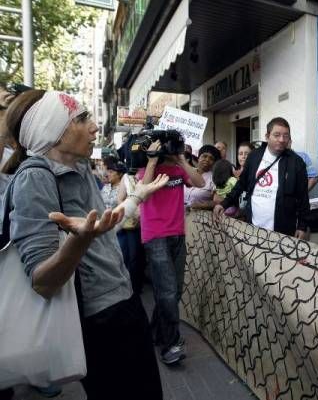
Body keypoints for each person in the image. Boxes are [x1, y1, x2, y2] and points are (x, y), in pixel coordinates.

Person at [1, 90, 163, 399]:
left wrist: (137, 197)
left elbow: (102, 224)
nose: (94, 127)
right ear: (54, 132)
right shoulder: (34, 178)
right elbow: (43, 281)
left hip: (124, 302)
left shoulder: (81, 168)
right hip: (99, 321)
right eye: (82, 119)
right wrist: (79, 242)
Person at [137, 136, 205, 365]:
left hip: (178, 233)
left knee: (174, 290)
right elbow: (142, 192)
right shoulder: (146, 166)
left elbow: (200, 183)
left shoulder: (178, 168)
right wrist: (152, 161)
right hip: (155, 235)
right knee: (166, 291)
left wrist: (182, 161)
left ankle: (154, 332)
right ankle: (171, 345)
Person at [214, 117, 309, 239]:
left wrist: (302, 226)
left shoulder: (296, 163)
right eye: (277, 135)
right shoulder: (254, 156)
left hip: (282, 231)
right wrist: (224, 204)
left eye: (286, 136)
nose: (281, 139)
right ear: (267, 136)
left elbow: (303, 197)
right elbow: (241, 184)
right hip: (253, 228)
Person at [184, 144, 219, 210]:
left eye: (211, 158)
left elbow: (217, 202)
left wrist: (201, 205)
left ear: (214, 162)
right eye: (204, 156)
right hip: (178, 213)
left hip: (199, 216)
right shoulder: (188, 172)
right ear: (198, 157)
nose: (207, 160)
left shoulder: (214, 179)